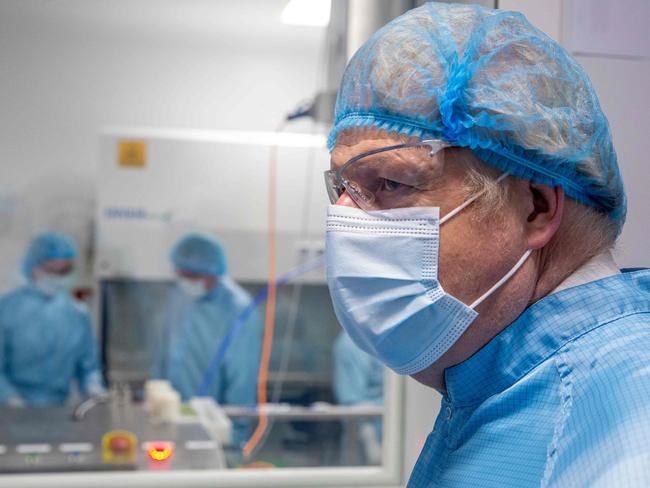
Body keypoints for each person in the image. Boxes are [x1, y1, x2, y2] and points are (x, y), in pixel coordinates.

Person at [324, 3, 649, 486]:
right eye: (343, 188)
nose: (345, 218)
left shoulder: (623, 438)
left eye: (391, 182)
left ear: (534, 206)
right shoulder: (502, 387)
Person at [152, 233, 262, 444]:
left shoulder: (238, 309)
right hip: (172, 417)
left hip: (214, 426)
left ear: (212, 272)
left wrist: (233, 433)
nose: (186, 281)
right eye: (181, 274)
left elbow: (242, 378)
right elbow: (165, 353)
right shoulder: (181, 296)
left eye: (192, 276)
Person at [0, 232, 105, 406]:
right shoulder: (7, 309)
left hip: (57, 408)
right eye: (53, 271)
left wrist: (94, 388)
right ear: (34, 268)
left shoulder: (76, 313)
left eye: (65, 271)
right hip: (10, 410)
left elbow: (88, 367)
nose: (59, 278)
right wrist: (11, 399)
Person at [333, 331, 384, 465]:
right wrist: (372, 445)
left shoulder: (386, 339)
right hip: (366, 442)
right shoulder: (351, 343)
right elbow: (354, 403)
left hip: (390, 439)